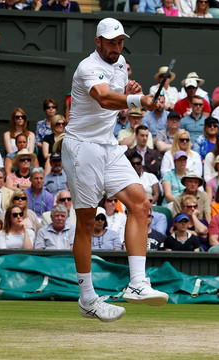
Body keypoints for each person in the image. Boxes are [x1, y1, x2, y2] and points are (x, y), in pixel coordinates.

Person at [60, 18, 168, 321]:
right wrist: (137, 98)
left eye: (120, 42)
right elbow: (105, 98)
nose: (116, 48)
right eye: (110, 43)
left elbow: (121, 96)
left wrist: (134, 92)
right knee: (85, 223)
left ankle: (136, 283)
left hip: (107, 146)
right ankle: (87, 299)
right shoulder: (86, 68)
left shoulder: (121, 63)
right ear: (98, 42)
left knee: (140, 201)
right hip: (82, 148)